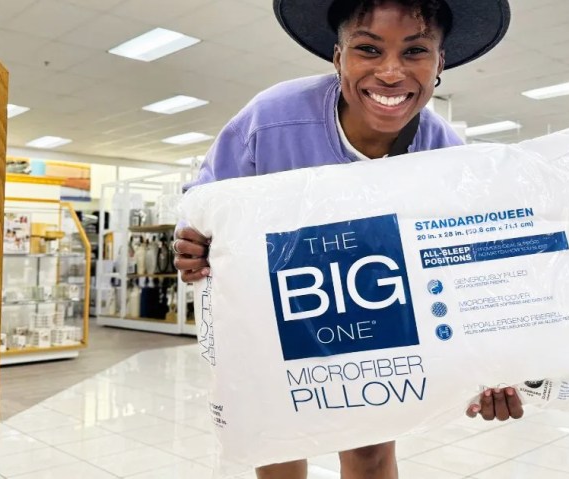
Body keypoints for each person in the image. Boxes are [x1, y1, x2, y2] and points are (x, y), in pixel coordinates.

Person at [174, 1, 520, 477]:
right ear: (338, 57)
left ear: (440, 62)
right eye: (368, 49)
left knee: (370, 451)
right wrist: (193, 241)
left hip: (376, 314)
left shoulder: (443, 155)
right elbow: (205, 200)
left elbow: (473, 272)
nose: (391, 72)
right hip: (271, 308)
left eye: (416, 50)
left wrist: (494, 365)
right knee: (276, 445)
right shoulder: (272, 119)